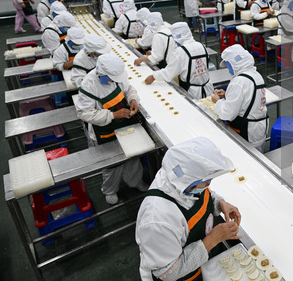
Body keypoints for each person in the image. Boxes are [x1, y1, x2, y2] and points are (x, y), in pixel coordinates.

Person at [135, 137, 241, 281]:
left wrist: (220, 203)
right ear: (189, 183)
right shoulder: (157, 220)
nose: (208, 184)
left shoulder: (183, 183)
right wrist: (213, 239)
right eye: (206, 182)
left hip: (207, 264)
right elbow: (168, 273)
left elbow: (202, 194)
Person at [76, 54, 148, 204]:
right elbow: (84, 113)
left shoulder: (116, 76)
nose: (113, 81)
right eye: (110, 79)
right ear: (101, 73)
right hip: (105, 130)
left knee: (133, 156)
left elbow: (128, 89)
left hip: (124, 123)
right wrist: (112, 115)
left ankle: (135, 181)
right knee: (112, 164)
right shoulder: (89, 85)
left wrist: (133, 99)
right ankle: (109, 190)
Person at [212, 45, 268, 152]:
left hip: (247, 132)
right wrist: (227, 95)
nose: (228, 69)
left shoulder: (239, 81)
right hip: (259, 127)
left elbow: (227, 114)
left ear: (235, 63)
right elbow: (248, 99)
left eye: (228, 65)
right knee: (258, 156)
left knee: (249, 159)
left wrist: (217, 101)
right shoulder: (256, 75)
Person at [144, 23, 213, 99]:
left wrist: (154, 76)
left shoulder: (180, 52)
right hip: (208, 89)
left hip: (192, 92)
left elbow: (169, 73)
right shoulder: (202, 46)